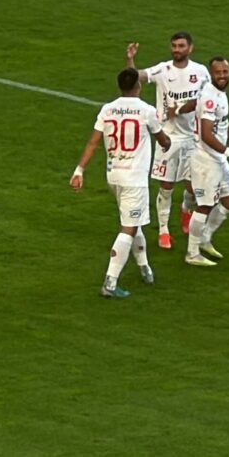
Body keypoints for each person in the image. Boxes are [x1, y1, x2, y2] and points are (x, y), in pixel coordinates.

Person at [70, 68, 171, 298]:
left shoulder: (107, 109)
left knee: (132, 220)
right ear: (139, 85)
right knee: (128, 228)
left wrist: (79, 171)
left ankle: (145, 266)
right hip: (134, 179)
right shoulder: (146, 111)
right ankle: (110, 282)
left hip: (114, 176)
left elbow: (93, 143)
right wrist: (167, 143)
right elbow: (163, 139)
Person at [125, 32, 211, 250]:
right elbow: (136, 76)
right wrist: (130, 58)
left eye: (181, 46)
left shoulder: (201, 72)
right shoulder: (163, 70)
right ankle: (164, 230)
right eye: (174, 46)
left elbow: (208, 99)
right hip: (169, 137)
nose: (176, 49)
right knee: (166, 185)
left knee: (193, 186)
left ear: (190, 48)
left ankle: (186, 209)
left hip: (194, 137)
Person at [184, 56, 229, 266]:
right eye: (217, 72)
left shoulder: (220, 93)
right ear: (211, 74)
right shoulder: (210, 97)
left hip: (217, 157)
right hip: (206, 159)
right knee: (205, 205)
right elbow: (206, 135)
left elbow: (219, 123)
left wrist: (226, 131)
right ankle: (192, 253)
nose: (221, 76)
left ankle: (205, 238)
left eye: (225, 72)